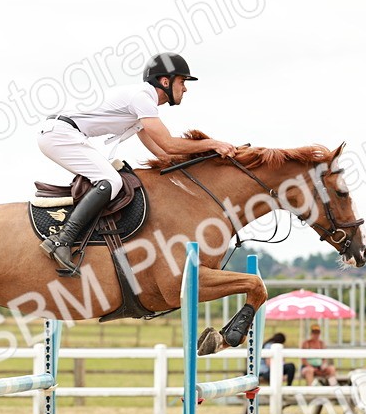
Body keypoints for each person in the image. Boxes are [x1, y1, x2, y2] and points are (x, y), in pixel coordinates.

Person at [37, 52, 238, 274]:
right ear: (165, 81)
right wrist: (212, 144)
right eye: (182, 81)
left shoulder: (142, 106)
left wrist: (203, 163)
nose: (185, 88)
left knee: (110, 179)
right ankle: (62, 241)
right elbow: (169, 144)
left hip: (62, 134)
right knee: (110, 180)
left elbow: (163, 154)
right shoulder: (142, 98)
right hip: (61, 134)